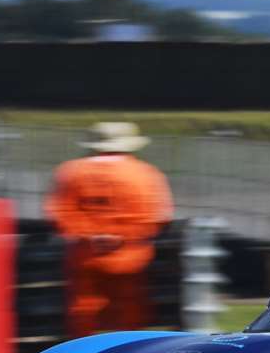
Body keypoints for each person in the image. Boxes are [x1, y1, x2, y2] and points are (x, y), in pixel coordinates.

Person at [45, 121, 174, 335]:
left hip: (85, 254)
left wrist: (90, 235)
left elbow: (58, 214)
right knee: (129, 309)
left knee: (84, 309)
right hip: (132, 254)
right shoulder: (145, 174)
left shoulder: (69, 173)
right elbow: (161, 215)